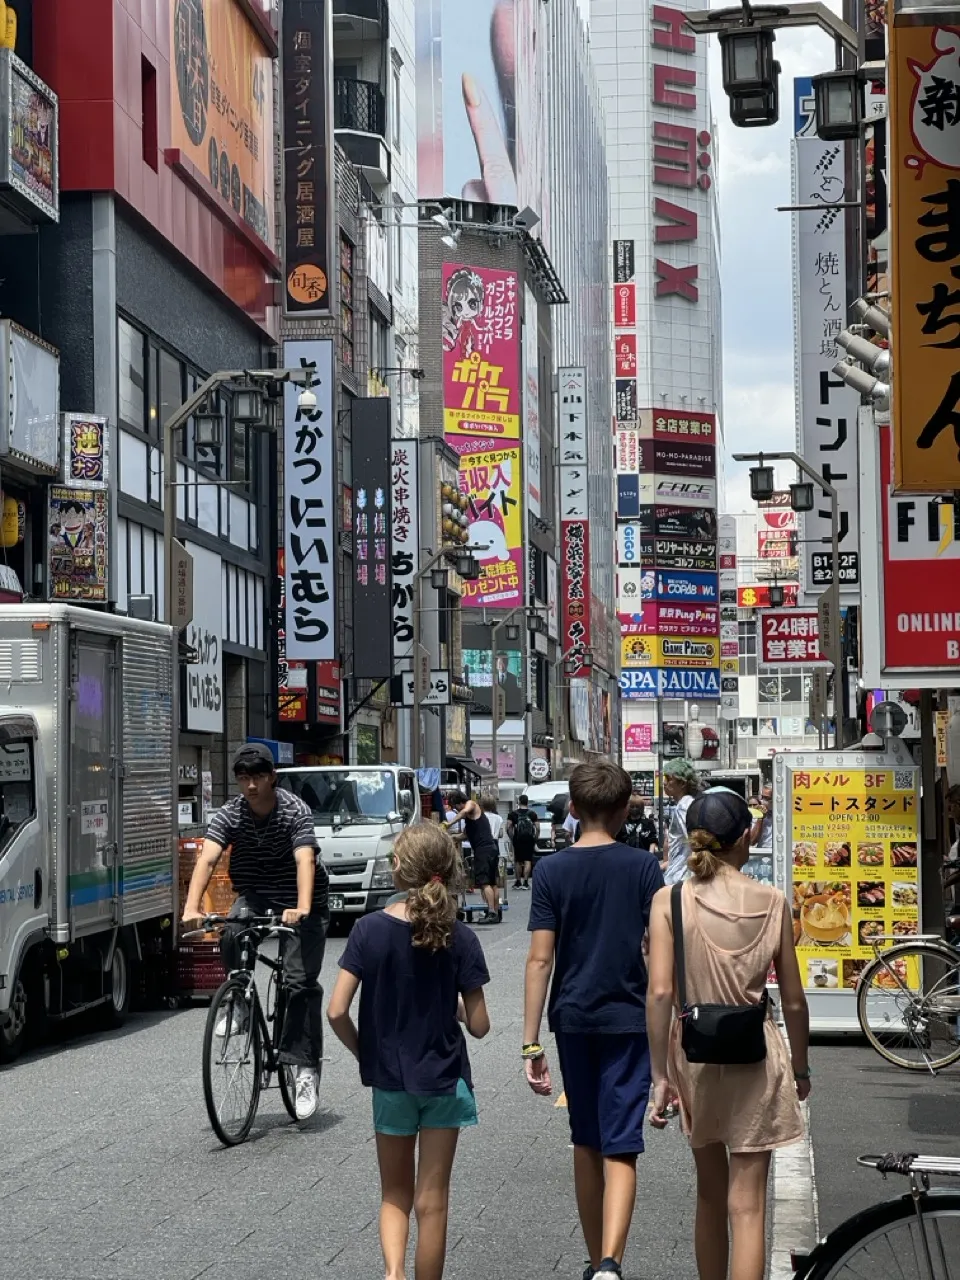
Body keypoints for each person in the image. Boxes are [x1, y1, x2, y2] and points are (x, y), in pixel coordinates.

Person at [646, 789, 810, 1280]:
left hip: (693, 1055)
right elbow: (796, 1000)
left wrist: (659, 1075)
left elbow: (658, 993)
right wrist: (800, 1068)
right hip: (756, 1055)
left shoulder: (669, 899)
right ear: (746, 837)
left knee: (709, 1194)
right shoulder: (772, 901)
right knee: (748, 1205)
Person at [327, 823, 490, 1280]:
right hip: (444, 1080)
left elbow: (337, 1011)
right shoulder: (460, 936)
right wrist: (455, 1006)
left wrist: (366, 1055)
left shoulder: (368, 931)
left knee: (394, 1193)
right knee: (432, 1203)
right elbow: (479, 1026)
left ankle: (393, 1273)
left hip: (390, 1080)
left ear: (398, 868)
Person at [523, 761, 664, 1280]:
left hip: (573, 1016)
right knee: (622, 1141)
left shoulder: (551, 871)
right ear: (626, 810)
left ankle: (593, 1257)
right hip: (631, 1017)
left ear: (573, 811)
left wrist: (529, 1042)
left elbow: (540, 959)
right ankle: (611, 1262)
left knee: (585, 1138)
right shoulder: (643, 868)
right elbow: (658, 951)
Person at [181, 743, 328, 1121]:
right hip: (257, 893)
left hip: (302, 896)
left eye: (258, 777)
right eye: (244, 779)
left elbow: (305, 859)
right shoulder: (231, 814)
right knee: (232, 930)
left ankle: (305, 1067)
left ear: (271, 778)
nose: (250, 786)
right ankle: (241, 1002)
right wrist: (191, 907)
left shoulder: (294, 810)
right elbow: (209, 857)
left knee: (297, 982)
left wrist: (303, 908)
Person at [446, 791, 501, 923]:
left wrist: (449, 823)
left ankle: (492, 913)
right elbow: (464, 835)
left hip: (483, 850)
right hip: (491, 849)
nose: (457, 810)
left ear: (460, 803)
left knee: (485, 883)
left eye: (456, 806)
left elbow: (464, 811)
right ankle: (495, 912)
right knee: (492, 883)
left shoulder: (471, 805)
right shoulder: (471, 819)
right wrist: (451, 837)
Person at [661, 758, 700, 885]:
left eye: (668, 779)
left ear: (682, 784)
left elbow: (694, 840)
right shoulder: (688, 802)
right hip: (680, 874)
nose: (664, 782)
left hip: (680, 877)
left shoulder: (684, 805)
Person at [507, 793, 539, 888]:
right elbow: (538, 828)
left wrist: (512, 838)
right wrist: (535, 838)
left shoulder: (513, 814)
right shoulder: (533, 814)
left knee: (517, 860)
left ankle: (518, 882)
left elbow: (508, 827)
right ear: (527, 802)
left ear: (519, 802)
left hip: (518, 839)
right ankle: (525, 882)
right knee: (527, 860)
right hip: (529, 839)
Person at [749, 783, 773, 850]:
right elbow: (752, 841)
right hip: (764, 855)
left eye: (767, 798)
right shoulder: (757, 814)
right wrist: (760, 818)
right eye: (762, 797)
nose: (762, 801)